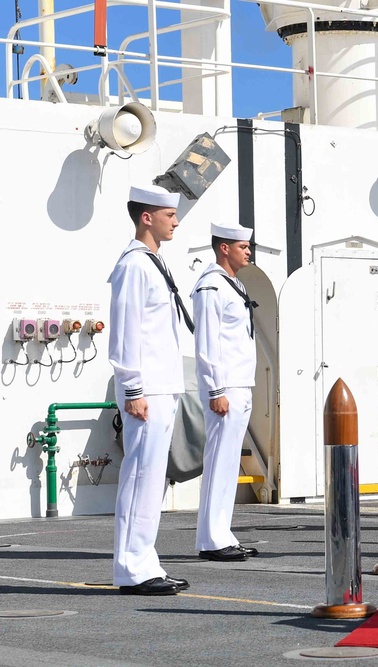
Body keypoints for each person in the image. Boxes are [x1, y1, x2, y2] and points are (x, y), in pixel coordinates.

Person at [108, 185, 190, 596]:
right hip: (147, 390)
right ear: (147, 217)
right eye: (168, 214)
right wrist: (134, 389)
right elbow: (125, 334)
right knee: (140, 477)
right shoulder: (134, 266)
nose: (175, 221)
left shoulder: (154, 262)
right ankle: (132, 566)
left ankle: (145, 560)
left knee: (152, 478)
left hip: (162, 387)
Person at [192, 222, 258, 563]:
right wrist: (216, 388)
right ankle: (211, 539)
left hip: (240, 384)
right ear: (224, 248)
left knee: (230, 463)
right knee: (219, 461)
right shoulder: (211, 287)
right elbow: (207, 343)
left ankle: (222, 533)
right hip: (225, 386)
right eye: (242, 246)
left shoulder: (233, 284)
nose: (248, 251)